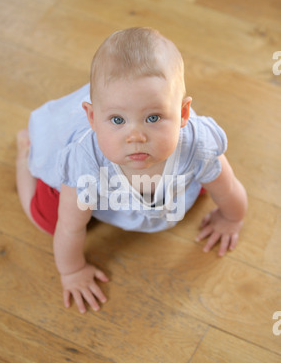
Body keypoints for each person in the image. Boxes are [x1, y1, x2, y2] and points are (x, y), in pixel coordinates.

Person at [16, 27, 248, 314]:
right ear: (92, 118)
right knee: (47, 220)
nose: (135, 136)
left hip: (149, 188)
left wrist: (231, 218)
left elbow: (229, 188)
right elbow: (70, 227)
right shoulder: (86, 160)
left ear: (183, 114)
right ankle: (24, 152)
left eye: (153, 117)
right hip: (89, 187)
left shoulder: (197, 145)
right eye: (117, 119)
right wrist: (72, 271)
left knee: (205, 183)